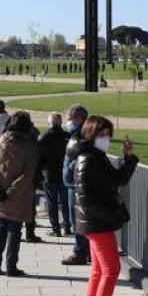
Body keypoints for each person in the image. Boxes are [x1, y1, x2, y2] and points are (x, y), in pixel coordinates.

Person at [75, 115, 138, 296]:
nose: (106, 139)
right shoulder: (89, 159)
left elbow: (117, 180)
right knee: (111, 270)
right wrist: (111, 215)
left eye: (108, 135)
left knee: (99, 271)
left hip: (96, 222)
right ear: (91, 135)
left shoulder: (95, 157)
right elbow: (87, 198)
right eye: (102, 135)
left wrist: (128, 157)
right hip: (97, 223)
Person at [0, 111, 40, 277]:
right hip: (18, 196)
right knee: (14, 231)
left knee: (1, 228)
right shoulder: (29, 147)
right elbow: (27, 175)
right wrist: (10, 192)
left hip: (0, 193)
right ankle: (11, 266)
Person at [60, 104, 91, 265]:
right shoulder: (76, 134)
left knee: (78, 220)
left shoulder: (82, 136)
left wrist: (71, 167)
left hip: (77, 183)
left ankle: (80, 251)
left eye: (70, 119)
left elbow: (82, 158)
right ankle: (85, 251)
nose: (68, 122)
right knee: (79, 220)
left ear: (79, 119)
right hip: (73, 182)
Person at [36, 112, 70, 237]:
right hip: (64, 172)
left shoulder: (44, 136)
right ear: (61, 122)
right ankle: (67, 226)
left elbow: (38, 154)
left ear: (50, 122)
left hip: (49, 173)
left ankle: (55, 228)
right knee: (65, 201)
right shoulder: (67, 136)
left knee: (52, 202)